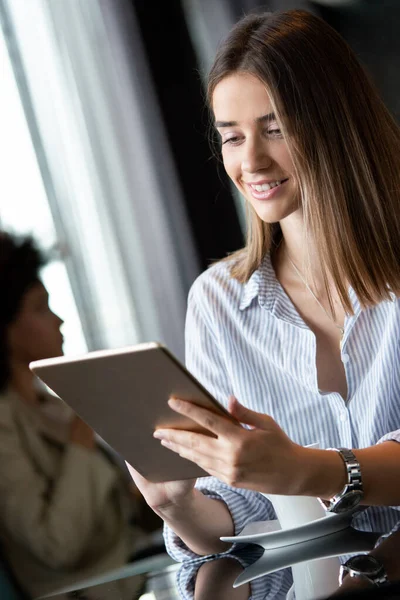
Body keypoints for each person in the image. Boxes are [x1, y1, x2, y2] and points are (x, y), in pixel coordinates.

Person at [127, 9, 400, 600]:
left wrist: (306, 468)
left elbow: (295, 477)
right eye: (231, 135)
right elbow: (252, 502)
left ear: (337, 125)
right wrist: (179, 506)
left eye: (275, 128)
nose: (250, 161)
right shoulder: (219, 301)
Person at [0, 231, 162, 598]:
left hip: (138, 570)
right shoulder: (5, 425)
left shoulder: (50, 405)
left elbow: (121, 517)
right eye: (40, 308)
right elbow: (55, 545)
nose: (59, 320)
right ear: (4, 328)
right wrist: (80, 439)